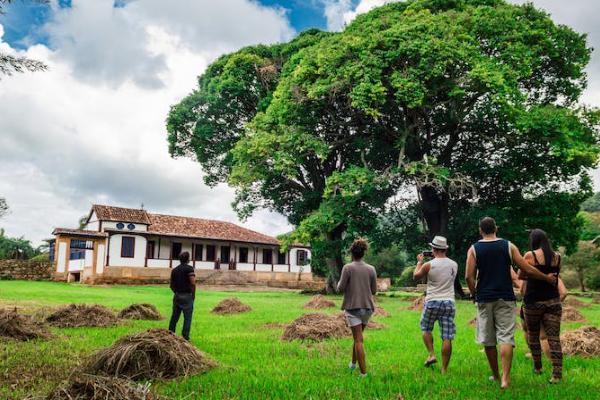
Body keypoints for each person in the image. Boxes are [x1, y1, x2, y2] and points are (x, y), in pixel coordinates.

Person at [465, 217, 558, 389]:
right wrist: (547, 278)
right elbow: (527, 268)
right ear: (496, 228)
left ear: (480, 230)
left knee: (488, 340)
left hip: (484, 298)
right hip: (506, 298)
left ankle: (495, 374)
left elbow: (468, 276)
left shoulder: (474, 249)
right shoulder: (509, 246)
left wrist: (474, 293)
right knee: (506, 337)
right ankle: (505, 379)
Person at [519, 229, 565, 383]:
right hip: (553, 301)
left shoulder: (529, 255)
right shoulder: (557, 257)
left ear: (534, 240)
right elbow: (556, 276)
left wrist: (534, 274)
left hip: (533, 301)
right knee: (554, 338)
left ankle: (538, 367)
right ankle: (557, 375)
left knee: (533, 335)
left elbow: (520, 275)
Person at [413, 236, 458, 374]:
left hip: (432, 301)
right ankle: (444, 369)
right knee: (447, 336)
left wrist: (419, 262)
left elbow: (416, 276)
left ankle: (432, 354)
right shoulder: (454, 264)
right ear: (445, 249)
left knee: (425, 328)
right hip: (449, 302)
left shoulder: (429, 264)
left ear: (433, 249)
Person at [337, 238, 377, 378]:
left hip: (353, 308)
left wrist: (341, 284)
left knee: (358, 340)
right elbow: (374, 291)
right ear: (363, 253)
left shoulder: (347, 268)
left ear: (352, 253)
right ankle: (353, 364)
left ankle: (364, 373)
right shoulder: (371, 269)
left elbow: (340, 288)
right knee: (357, 338)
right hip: (367, 308)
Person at [168, 251, 196, 341]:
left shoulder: (174, 270)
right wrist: (193, 295)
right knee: (187, 318)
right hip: (187, 296)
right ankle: (185, 337)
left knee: (174, 317)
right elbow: (193, 283)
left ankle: (170, 335)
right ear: (188, 259)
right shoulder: (189, 269)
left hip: (177, 296)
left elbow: (171, 286)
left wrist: (176, 292)